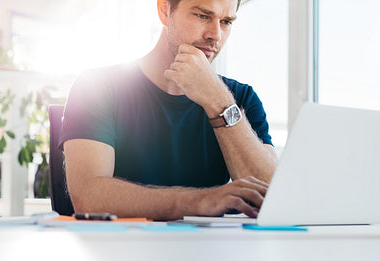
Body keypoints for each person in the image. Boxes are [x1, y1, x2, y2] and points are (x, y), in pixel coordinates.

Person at [60, 0, 278, 220]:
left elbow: (271, 197)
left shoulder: (240, 99)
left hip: (210, 250)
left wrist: (218, 101)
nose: (216, 35)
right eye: (203, 16)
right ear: (164, 10)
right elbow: (88, 197)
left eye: (226, 22)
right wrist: (202, 201)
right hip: (122, 248)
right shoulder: (96, 87)